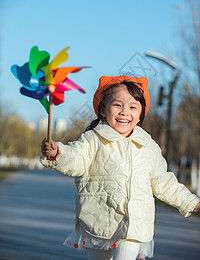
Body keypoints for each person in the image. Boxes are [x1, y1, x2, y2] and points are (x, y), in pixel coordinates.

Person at [41, 75, 200, 260]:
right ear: (103, 110)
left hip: (134, 224)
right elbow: (75, 159)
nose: (125, 112)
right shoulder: (93, 139)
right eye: (117, 105)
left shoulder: (148, 146)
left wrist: (190, 201)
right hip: (98, 219)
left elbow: (163, 182)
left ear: (140, 114)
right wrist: (57, 153)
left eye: (133, 107)